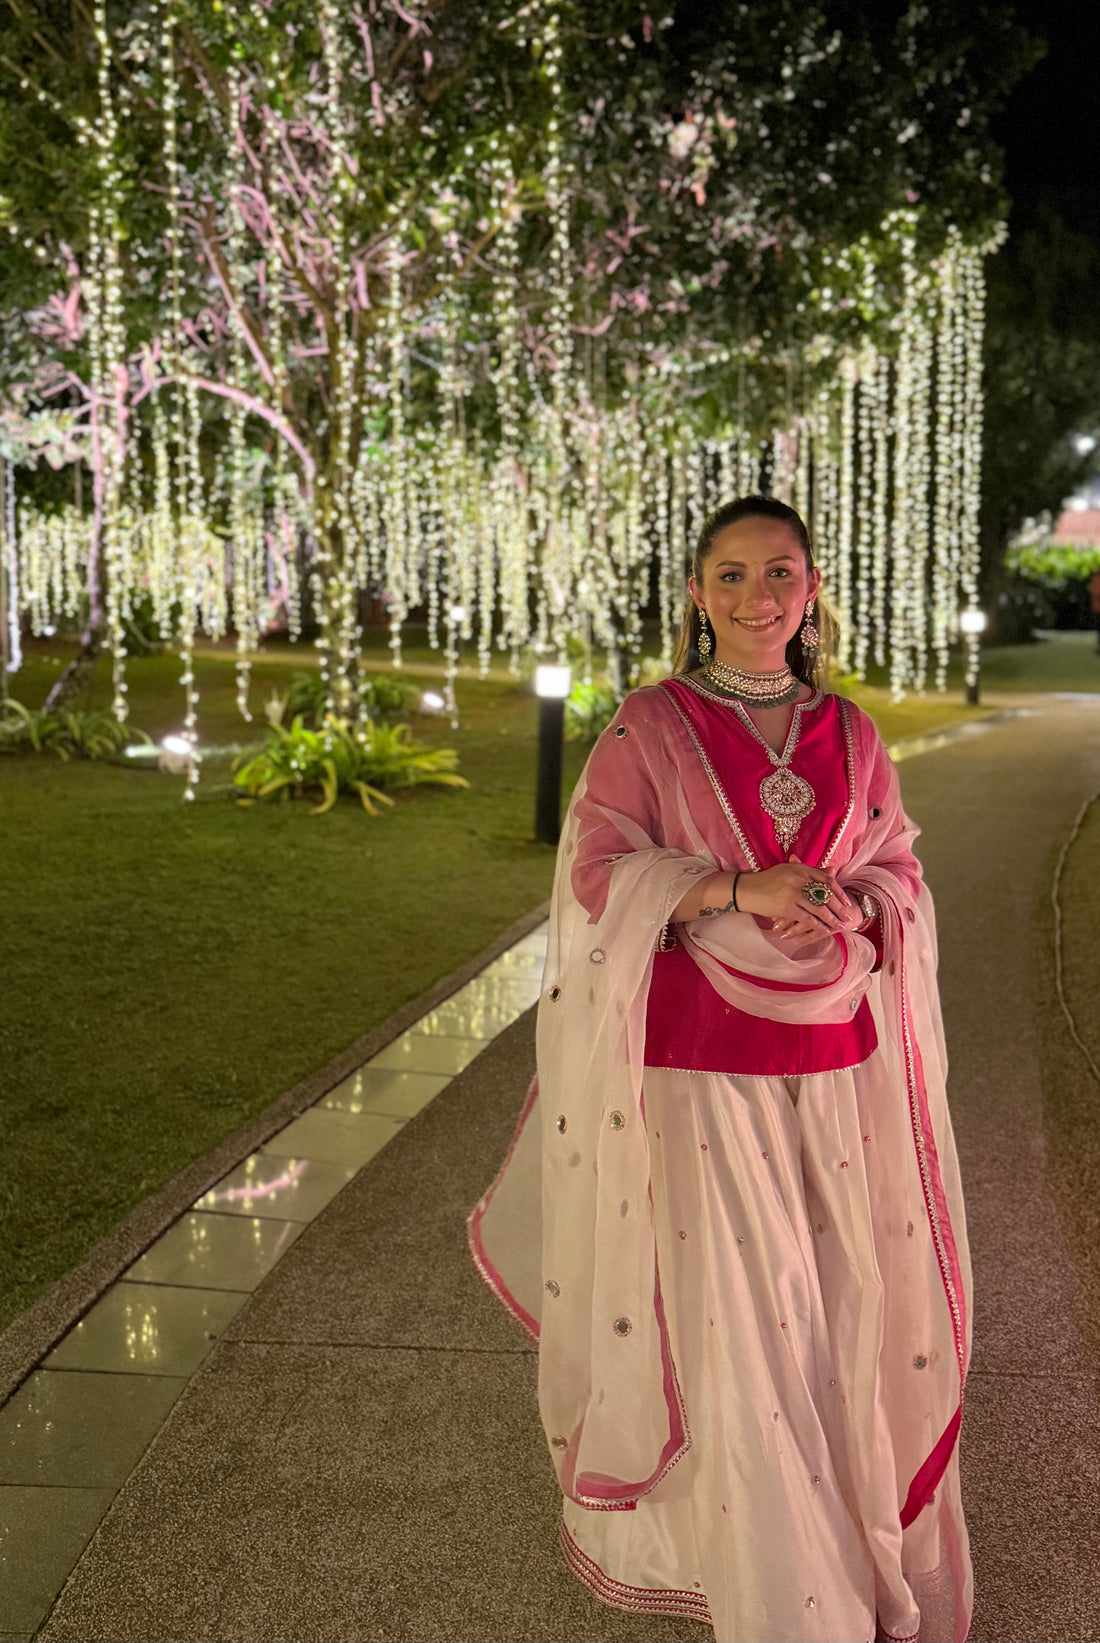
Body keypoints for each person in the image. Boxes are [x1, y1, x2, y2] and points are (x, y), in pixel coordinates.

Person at [469, 495, 973, 1643]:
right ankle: (773, 1583)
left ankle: (840, 1538)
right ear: (697, 594)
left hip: (833, 1068)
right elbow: (597, 866)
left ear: (810, 589)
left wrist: (847, 899)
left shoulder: (850, 732)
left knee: (833, 1306)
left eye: (779, 572)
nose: (757, 597)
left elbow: (897, 865)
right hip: (702, 1070)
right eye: (732, 575)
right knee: (748, 1319)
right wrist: (739, 888)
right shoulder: (649, 723)